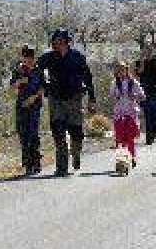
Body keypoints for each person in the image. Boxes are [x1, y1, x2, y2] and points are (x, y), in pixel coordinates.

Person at [39, 28, 97, 176]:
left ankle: (76, 153)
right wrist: (44, 86)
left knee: (76, 132)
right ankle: (61, 167)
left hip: (74, 98)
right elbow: (37, 70)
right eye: (54, 41)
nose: (56, 44)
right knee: (58, 131)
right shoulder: (48, 57)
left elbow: (88, 78)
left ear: (66, 42)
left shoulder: (77, 57)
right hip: (56, 98)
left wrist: (92, 99)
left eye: (59, 41)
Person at [10, 44, 45, 175]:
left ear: (34, 58)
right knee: (22, 133)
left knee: (33, 134)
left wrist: (33, 98)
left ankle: (36, 162)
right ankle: (27, 164)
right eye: (25, 57)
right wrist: (20, 81)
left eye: (30, 57)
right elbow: (12, 86)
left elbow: (43, 87)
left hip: (34, 106)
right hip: (21, 105)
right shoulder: (18, 70)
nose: (27, 60)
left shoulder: (39, 70)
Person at [109, 61, 146, 168]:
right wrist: (115, 97)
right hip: (119, 113)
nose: (121, 72)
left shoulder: (133, 82)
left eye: (123, 69)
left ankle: (132, 157)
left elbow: (142, 96)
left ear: (127, 70)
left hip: (131, 112)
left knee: (130, 137)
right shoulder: (114, 83)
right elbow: (111, 96)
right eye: (119, 70)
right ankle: (121, 160)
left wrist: (134, 96)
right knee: (120, 138)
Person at [135, 41, 156, 145]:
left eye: (149, 49)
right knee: (147, 113)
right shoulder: (139, 62)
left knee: (153, 112)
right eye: (146, 49)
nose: (148, 51)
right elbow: (139, 72)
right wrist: (142, 60)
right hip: (144, 91)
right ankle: (149, 137)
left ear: (153, 50)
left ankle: (152, 132)